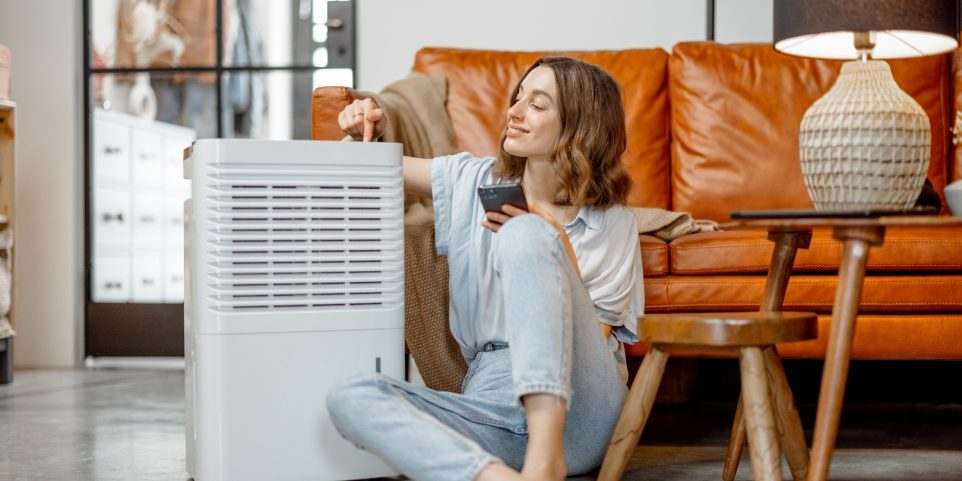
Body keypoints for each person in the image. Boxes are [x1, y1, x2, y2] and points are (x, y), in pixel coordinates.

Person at [326, 56, 645, 481]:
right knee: (351, 396)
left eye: (537, 104)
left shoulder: (614, 220)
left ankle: (545, 458)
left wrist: (550, 236)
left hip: (580, 411)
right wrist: (364, 128)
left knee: (524, 233)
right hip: (492, 403)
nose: (513, 112)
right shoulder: (469, 180)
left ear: (580, 124)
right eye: (518, 98)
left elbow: (585, 339)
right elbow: (351, 168)